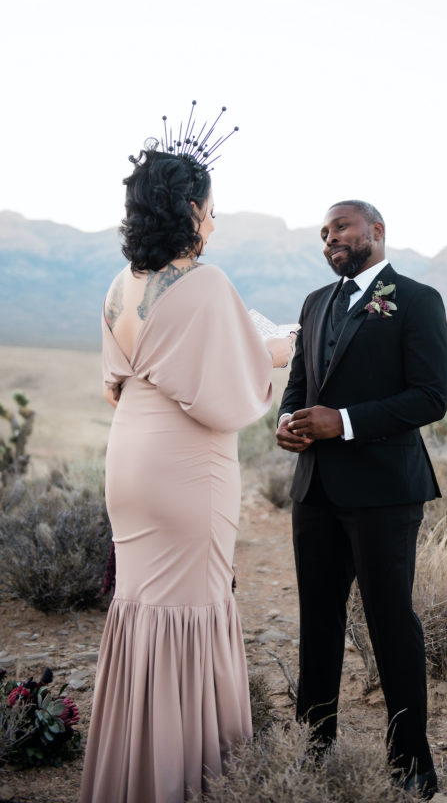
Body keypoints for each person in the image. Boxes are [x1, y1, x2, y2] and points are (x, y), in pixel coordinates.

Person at [80, 111, 295, 803]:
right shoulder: (204, 285)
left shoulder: (120, 286)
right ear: (191, 212)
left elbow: (119, 380)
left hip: (131, 460)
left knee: (142, 605)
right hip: (187, 466)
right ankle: (183, 777)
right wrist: (281, 348)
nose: (213, 223)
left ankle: (132, 769)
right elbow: (234, 390)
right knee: (195, 607)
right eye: (210, 210)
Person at [276, 199, 447, 799]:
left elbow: (431, 397)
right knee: (317, 622)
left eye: (341, 228)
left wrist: (343, 421)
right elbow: (300, 383)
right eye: (323, 234)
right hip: (316, 488)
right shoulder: (314, 304)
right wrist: (287, 421)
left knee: (390, 622)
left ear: (376, 231)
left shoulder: (418, 299)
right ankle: (313, 743)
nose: (330, 240)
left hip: (384, 492)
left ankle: (411, 761)